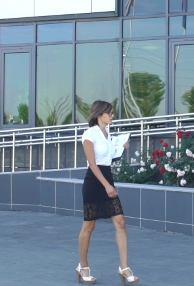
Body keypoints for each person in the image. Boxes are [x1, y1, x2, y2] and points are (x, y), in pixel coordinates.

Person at [75, 100, 139, 285]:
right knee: (89, 226)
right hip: (95, 182)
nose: (112, 116)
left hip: (107, 178)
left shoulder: (108, 134)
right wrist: (107, 186)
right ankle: (83, 266)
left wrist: (121, 149)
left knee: (121, 222)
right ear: (99, 114)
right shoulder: (89, 134)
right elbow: (93, 164)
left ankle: (124, 268)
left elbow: (107, 158)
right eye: (109, 113)